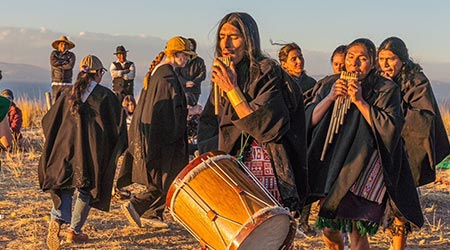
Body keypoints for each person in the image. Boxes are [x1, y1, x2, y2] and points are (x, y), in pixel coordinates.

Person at [305, 38, 423, 249]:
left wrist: (360, 102)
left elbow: (390, 128)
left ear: (372, 62)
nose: (354, 64)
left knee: (356, 230)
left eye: (362, 59)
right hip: (335, 166)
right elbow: (309, 120)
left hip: (364, 168)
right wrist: (331, 97)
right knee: (329, 227)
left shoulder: (386, 89)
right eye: (351, 58)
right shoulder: (330, 84)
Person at [197, 12, 308, 216]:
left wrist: (231, 89)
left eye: (234, 37)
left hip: (264, 165)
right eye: (222, 37)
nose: (226, 44)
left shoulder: (266, 71)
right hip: (230, 164)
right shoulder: (224, 73)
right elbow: (211, 122)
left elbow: (264, 126)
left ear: (249, 40)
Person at [39, 55, 126, 250]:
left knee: (65, 185)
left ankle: (57, 218)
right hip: (90, 152)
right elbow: (117, 128)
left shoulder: (67, 92)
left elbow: (48, 121)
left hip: (65, 148)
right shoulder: (105, 96)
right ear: (99, 73)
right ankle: (74, 231)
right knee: (86, 188)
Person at [377, 36, 450, 249]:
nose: (385, 64)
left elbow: (423, 117)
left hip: (407, 151)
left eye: (390, 59)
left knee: (401, 203)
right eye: (382, 59)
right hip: (385, 149)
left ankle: (399, 245)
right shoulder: (379, 79)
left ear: (403, 59)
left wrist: (392, 114)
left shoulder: (416, 80)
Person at [117, 36, 194, 228]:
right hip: (163, 136)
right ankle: (137, 205)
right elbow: (168, 110)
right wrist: (190, 112)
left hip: (153, 134)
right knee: (167, 176)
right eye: (185, 55)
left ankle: (153, 214)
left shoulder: (159, 73)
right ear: (176, 54)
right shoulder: (167, 78)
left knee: (165, 175)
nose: (187, 60)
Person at [175, 38, 206, 107]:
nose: (190, 47)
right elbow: (177, 73)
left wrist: (194, 82)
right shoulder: (180, 60)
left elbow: (203, 74)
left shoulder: (199, 61)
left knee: (193, 108)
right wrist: (185, 82)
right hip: (182, 88)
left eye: (192, 45)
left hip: (195, 90)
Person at [50, 36, 76, 102]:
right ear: (58, 45)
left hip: (67, 83)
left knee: (67, 103)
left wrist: (59, 65)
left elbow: (70, 66)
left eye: (65, 44)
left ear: (67, 46)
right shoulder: (54, 54)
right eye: (61, 44)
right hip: (56, 82)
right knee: (55, 102)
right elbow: (53, 63)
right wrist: (65, 62)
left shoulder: (71, 55)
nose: (63, 46)